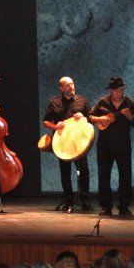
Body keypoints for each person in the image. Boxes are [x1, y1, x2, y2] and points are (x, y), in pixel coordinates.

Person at [89, 77, 134, 216]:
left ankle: (124, 206)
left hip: (123, 144)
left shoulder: (129, 103)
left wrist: (129, 116)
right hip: (105, 145)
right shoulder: (102, 102)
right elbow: (89, 117)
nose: (120, 92)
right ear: (111, 91)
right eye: (118, 90)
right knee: (104, 175)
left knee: (125, 176)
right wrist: (102, 119)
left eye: (122, 89)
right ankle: (106, 206)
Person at [43, 76, 92, 213]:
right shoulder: (55, 102)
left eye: (72, 84)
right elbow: (45, 121)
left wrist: (83, 117)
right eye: (67, 85)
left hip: (79, 141)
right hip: (62, 143)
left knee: (84, 170)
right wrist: (55, 126)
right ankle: (68, 200)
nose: (71, 87)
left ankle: (85, 200)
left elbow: (91, 118)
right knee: (65, 172)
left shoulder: (82, 100)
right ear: (61, 88)